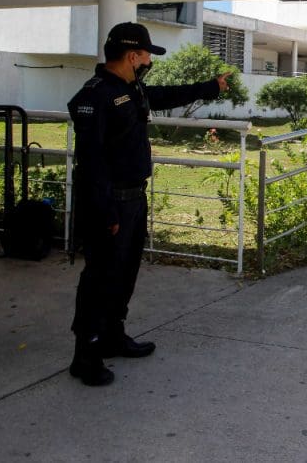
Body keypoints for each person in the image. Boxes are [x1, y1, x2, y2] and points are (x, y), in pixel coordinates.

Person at [67, 22, 229, 386]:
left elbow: (165, 95)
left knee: (124, 273)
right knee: (99, 278)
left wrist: (210, 87)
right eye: (145, 56)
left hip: (133, 199)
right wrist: (106, 211)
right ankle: (85, 354)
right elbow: (91, 162)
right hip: (108, 203)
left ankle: (112, 335)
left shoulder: (131, 88)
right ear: (131, 56)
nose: (148, 62)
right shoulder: (96, 95)